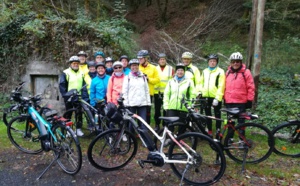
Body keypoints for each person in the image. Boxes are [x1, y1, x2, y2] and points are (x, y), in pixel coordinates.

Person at [224, 52, 255, 136]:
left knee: (241, 121)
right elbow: (224, 86)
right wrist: (224, 98)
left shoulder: (246, 72)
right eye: (233, 61)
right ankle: (229, 138)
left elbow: (251, 87)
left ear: (241, 62)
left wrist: (249, 100)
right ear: (231, 62)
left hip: (241, 101)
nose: (235, 63)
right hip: (229, 101)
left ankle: (242, 139)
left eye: (237, 61)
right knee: (230, 121)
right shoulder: (228, 72)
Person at [59, 56, 89, 136]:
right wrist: (66, 96)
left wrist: (84, 96)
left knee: (79, 113)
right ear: (70, 64)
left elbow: (83, 85)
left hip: (78, 96)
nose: (75, 65)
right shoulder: (66, 72)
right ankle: (68, 129)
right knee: (69, 113)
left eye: (77, 63)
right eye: (74, 63)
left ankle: (78, 129)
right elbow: (62, 85)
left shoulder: (81, 73)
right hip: (69, 97)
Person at [163, 63, 196, 133]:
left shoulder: (189, 82)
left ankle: (180, 138)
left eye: (181, 70)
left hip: (184, 107)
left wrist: (190, 106)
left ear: (184, 72)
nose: (180, 72)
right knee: (170, 125)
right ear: (176, 71)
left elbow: (193, 95)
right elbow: (166, 94)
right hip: (171, 107)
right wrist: (166, 105)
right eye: (178, 70)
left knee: (182, 125)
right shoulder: (171, 81)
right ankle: (170, 139)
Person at [199, 54, 225, 138]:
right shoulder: (204, 71)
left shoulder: (220, 71)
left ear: (217, 62)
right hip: (205, 96)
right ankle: (209, 130)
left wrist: (217, 98)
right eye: (211, 61)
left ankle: (218, 130)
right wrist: (200, 92)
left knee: (217, 115)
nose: (212, 63)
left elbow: (221, 86)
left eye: (214, 61)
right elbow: (200, 83)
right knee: (208, 114)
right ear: (208, 62)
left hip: (215, 97)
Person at [122, 59, 151, 131]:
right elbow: (124, 92)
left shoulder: (143, 77)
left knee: (143, 122)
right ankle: (131, 137)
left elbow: (146, 90)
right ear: (130, 67)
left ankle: (144, 137)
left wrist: (148, 103)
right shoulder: (127, 78)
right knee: (132, 122)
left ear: (138, 66)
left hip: (142, 103)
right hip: (131, 104)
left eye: (136, 65)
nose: (134, 67)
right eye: (132, 66)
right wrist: (126, 103)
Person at [137, 50, 160, 125]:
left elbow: (157, 80)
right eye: (138, 58)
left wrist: (148, 79)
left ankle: (147, 127)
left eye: (141, 58)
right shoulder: (137, 67)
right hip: (138, 93)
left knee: (147, 112)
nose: (139, 60)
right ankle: (139, 128)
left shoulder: (153, 68)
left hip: (149, 93)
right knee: (138, 112)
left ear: (146, 58)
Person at [153, 53, 174, 131]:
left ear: (166, 60)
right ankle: (157, 124)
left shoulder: (170, 68)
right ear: (158, 60)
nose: (162, 61)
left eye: (164, 59)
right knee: (157, 110)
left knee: (166, 109)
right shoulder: (155, 68)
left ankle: (165, 125)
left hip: (167, 93)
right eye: (161, 59)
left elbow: (173, 79)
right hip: (157, 93)